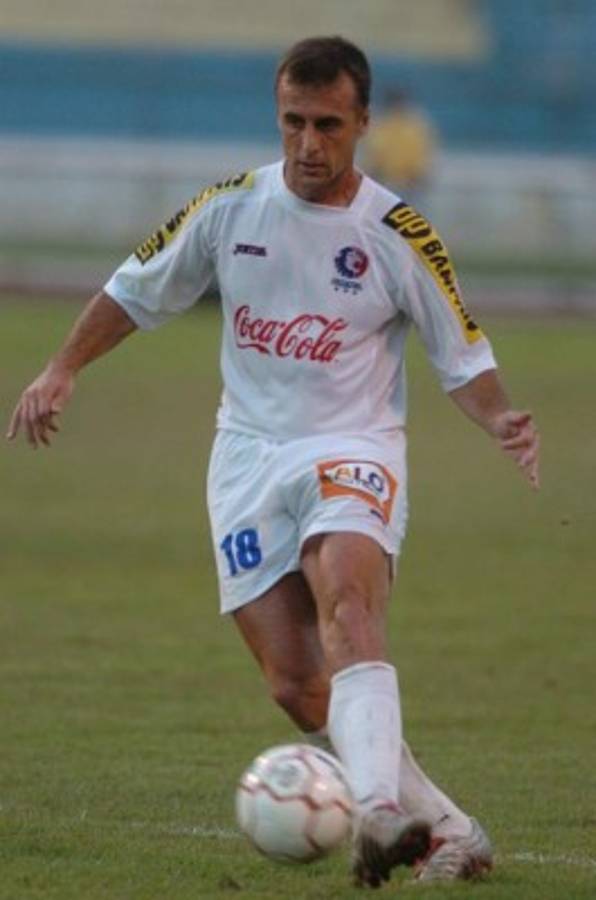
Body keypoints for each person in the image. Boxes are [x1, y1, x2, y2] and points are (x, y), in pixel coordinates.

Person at [7, 36, 539, 888]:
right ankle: (449, 829)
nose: (307, 144)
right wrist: (62, 367)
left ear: (362, 123)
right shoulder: (230, 208)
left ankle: (374, 810)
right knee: (296, 685)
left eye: (327, 125)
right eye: (293, 121)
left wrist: (500, 416)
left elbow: (462, 351)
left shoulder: (397, 231)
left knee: (349, 609)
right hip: (247, 457)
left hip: (352, 447)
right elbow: (134, 288)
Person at [362, 87, 437, 207]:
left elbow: (423, 153)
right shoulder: (380, 124)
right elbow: (373, 153)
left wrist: (420, 174)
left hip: (411, 184)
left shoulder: (415, 124)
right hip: (385, 182)